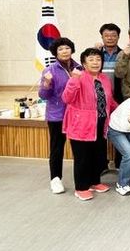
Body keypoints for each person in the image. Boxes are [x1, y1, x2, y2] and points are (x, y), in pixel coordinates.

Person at [61, 48, 118, 201]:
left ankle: (94, 182)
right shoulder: (78, 77)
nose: (95, 62)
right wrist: (73, 80)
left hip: (100, 123)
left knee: (97, 155)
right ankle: (81, 187)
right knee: (82, 158)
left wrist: (121, 109)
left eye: (98, 59)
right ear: (84, 63)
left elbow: (109, 100)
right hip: (81, 125)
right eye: (91, 59)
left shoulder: (104, 78)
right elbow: (66, 98)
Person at [38, 37, 82, 194]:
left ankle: (83, 179)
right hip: (57, 115)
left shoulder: (80, 68)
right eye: (61, 49)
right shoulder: (49, 70)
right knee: (57, 148)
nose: (64, 51)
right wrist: (46, 83)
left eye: (67, 48)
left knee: (80, 148)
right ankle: (55, 179)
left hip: (77, 115)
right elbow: (43, 95)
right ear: (55, 53)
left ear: (72, 50)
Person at [95, 23, 122, 103]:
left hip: (119, 97)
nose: (110, 38)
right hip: (98, 97)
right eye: (106, 36)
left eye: (113, 35)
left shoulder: (123, 55)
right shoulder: (95, 55)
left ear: (118, 37)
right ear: (102, 37)